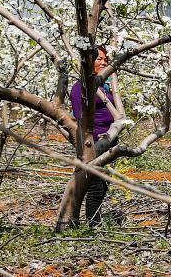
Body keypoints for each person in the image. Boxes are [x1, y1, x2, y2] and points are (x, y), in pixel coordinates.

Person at [69, 45, 123, 225]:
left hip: (108, 140)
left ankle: (92, 223)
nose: (104, 62)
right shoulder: (80, 88)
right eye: (99, 59)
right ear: (88, 63)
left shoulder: (104, 87)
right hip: (95, 143)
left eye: (105, 59)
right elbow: (80, 119)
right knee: (95, 187)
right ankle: (92, 225)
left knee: (101, 185)